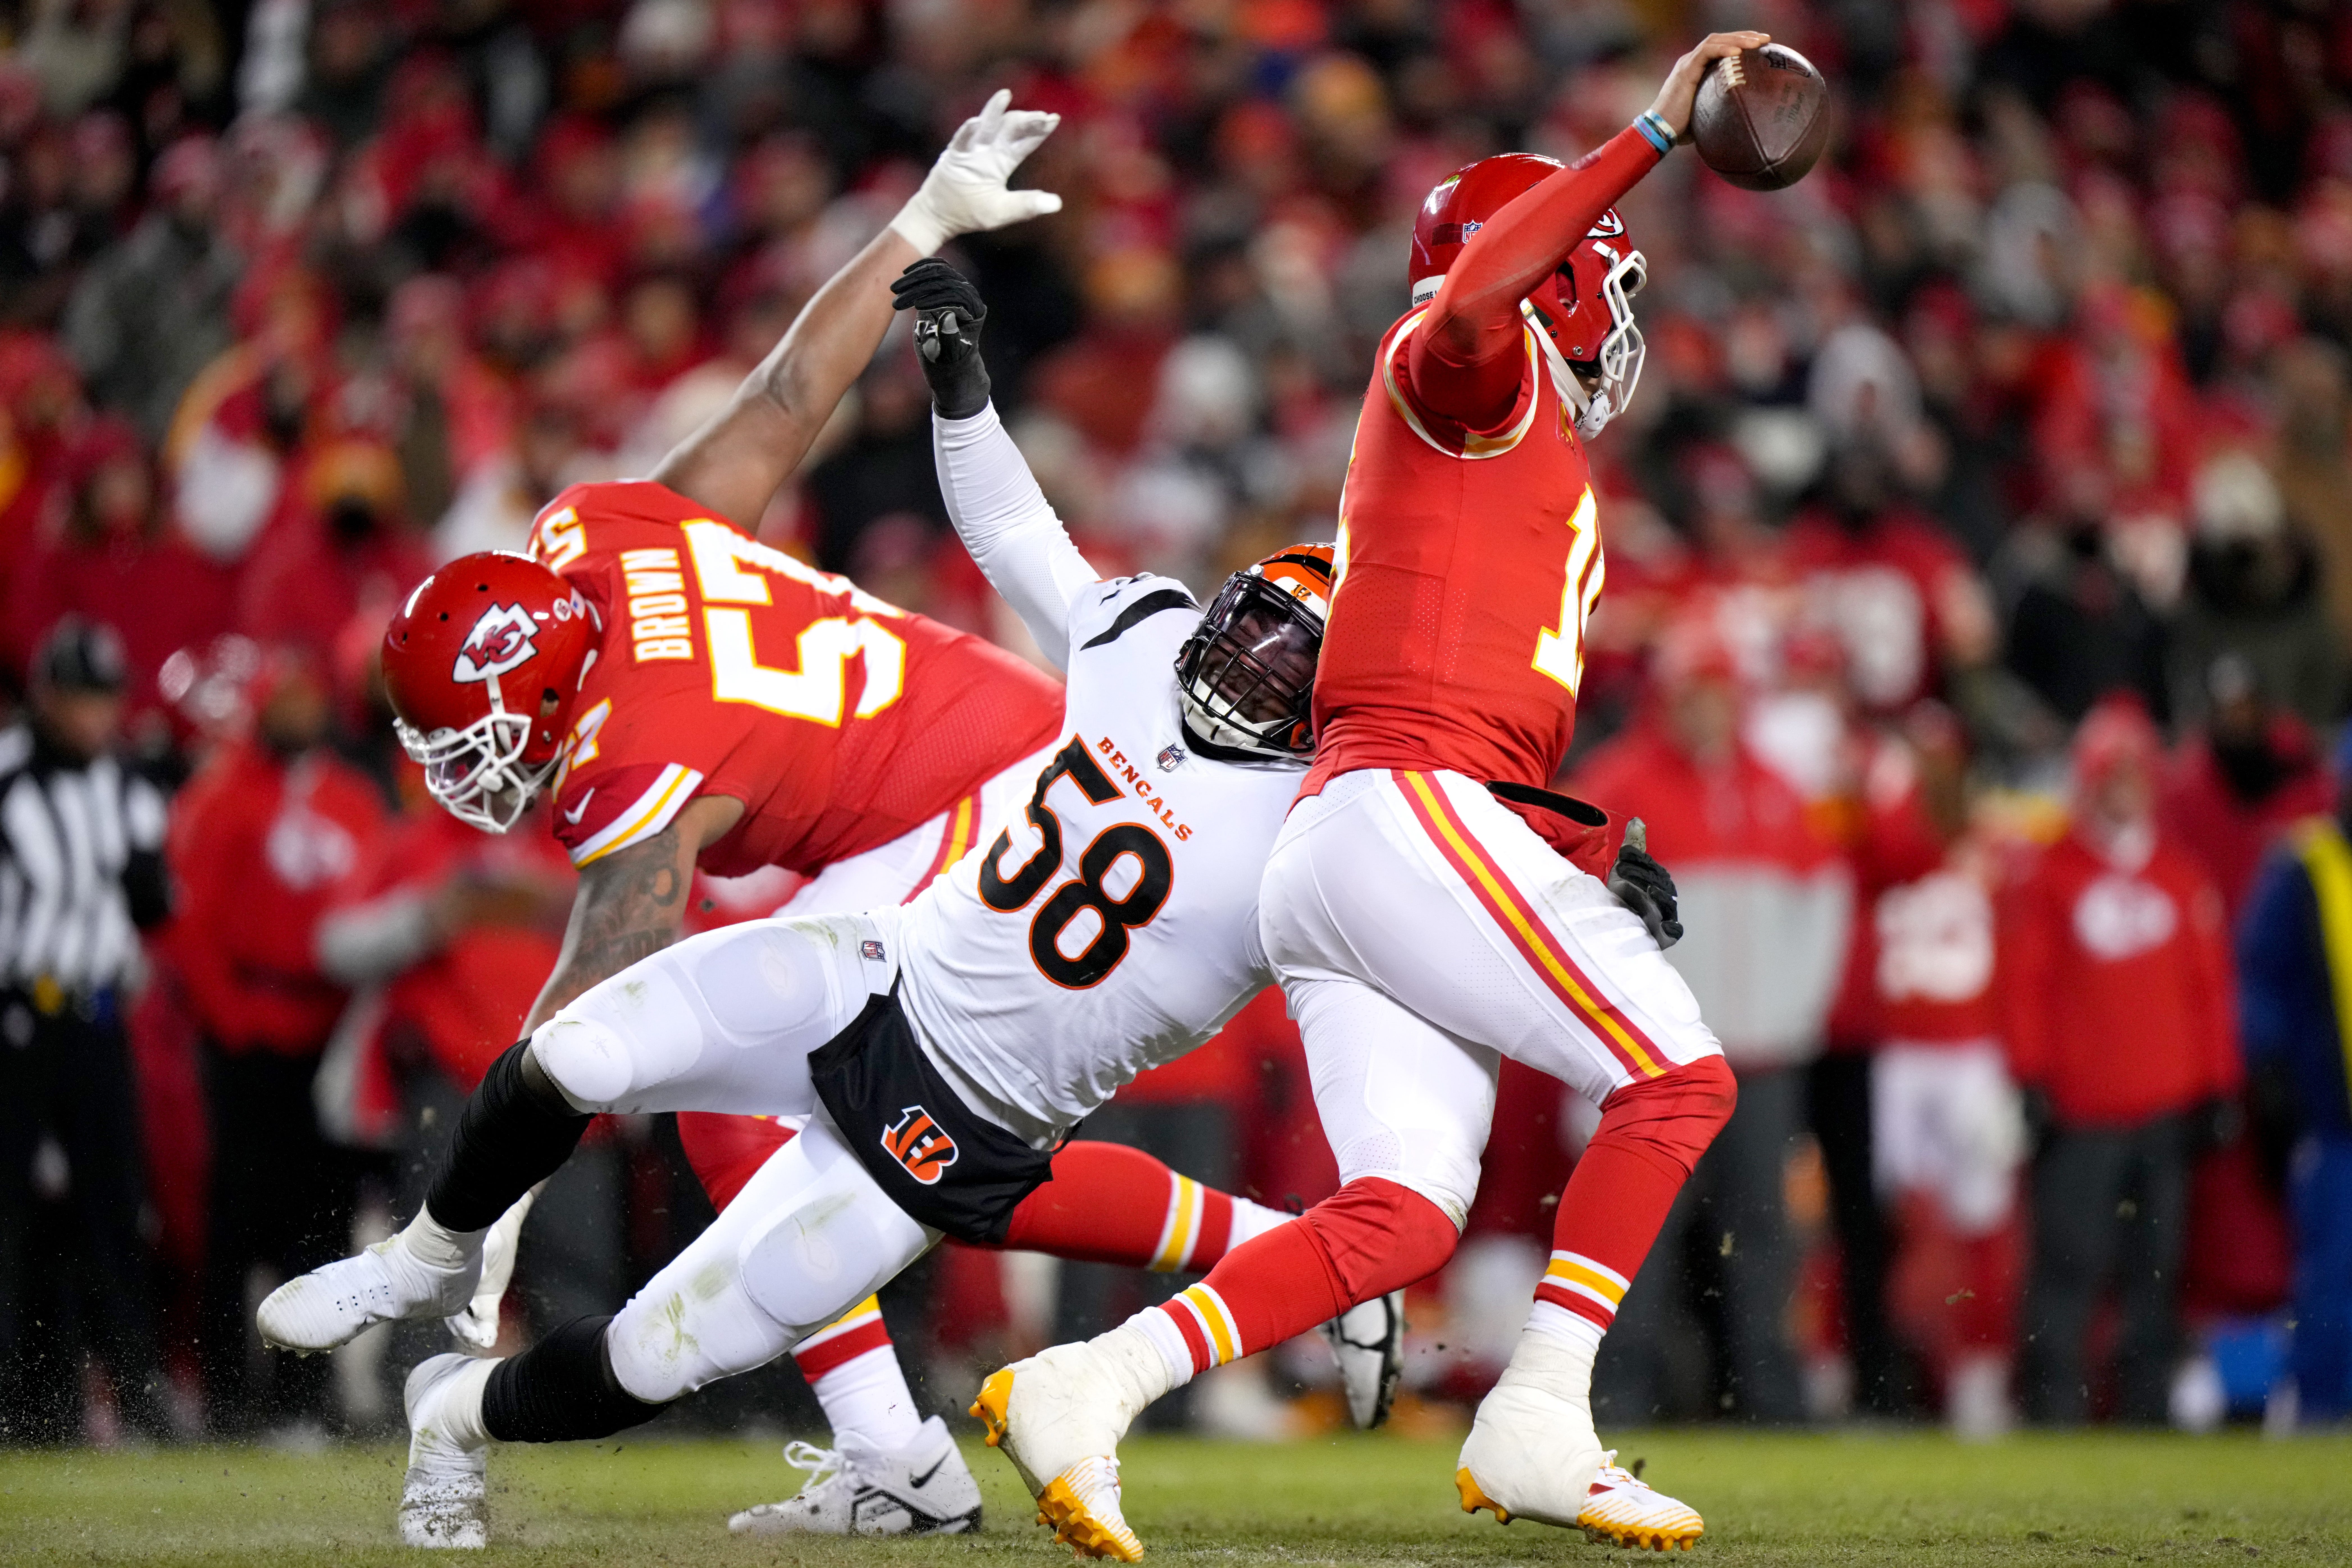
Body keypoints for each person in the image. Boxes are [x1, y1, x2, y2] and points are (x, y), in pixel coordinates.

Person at [245, 99, 1362, 1537]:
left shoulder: (636, 748)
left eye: (469, 736)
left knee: (912, 1125)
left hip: (967, 808)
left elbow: (596, 983)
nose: (462, 768)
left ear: (538, 699)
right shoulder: (597, 534)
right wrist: (914, 225)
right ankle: (891, 1455)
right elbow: (784, 399)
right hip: (899, 782)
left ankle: (1198, 1295)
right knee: (748, 1119)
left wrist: (470, 1225)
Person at [972, 33, 1763, 1558]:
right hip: (1401, 813)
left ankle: (1092, 1379)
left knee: (1399, 1216)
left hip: (1378, 833)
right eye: (1596, 266)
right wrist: (1651, 135)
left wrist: (1568, 849)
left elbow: (1457, 691)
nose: (1614, 300)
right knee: (1678, 1079)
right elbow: (1467, 301)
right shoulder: (1472, 371)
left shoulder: (1510, 443)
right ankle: (1540, 1412)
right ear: (1557, 275)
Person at [168, 646, 387, 1435]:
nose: (299, 712)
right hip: (250, 1036)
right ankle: (228, 1400)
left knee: (323, 1226)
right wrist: (230, 1020)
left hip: (328, 1040)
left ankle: (308, 1398)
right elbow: (190, 925)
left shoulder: (355, 799)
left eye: (308, 697)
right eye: (285, 698)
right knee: (236, 1221)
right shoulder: (222, 798)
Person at [2004, 696, 2241, 1424]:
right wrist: (2031, 1076)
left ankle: (2145, 1413)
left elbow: (2208, 987)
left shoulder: (2179, 875)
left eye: (2138, 773)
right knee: (2068, 1270)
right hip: (2083, 1109)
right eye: (2114, 773)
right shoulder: (2053, 874)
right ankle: (2052, 1412)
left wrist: (2218, 1083)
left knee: (2156, 1273)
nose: (2125, 787)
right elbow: (2025, 982)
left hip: (2164, 1109)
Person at [0, 619, 174, 1442]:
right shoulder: (9, 779)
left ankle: (130, 1397)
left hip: (99, 1017)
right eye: (81, 699)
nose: (95, 718)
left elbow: (153, 904)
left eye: (106, 700)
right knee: (11, 1214)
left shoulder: (129, 788)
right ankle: (19, 1400)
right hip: (18, 1016)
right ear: (48, 699)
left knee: (115, 1210)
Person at [2228, 726, 2352, 1427]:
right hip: (2335, 1117)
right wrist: (2270, 1069)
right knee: (2333, 1278)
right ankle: (2324, 1413)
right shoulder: (2306, 863)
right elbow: (2261, 980)